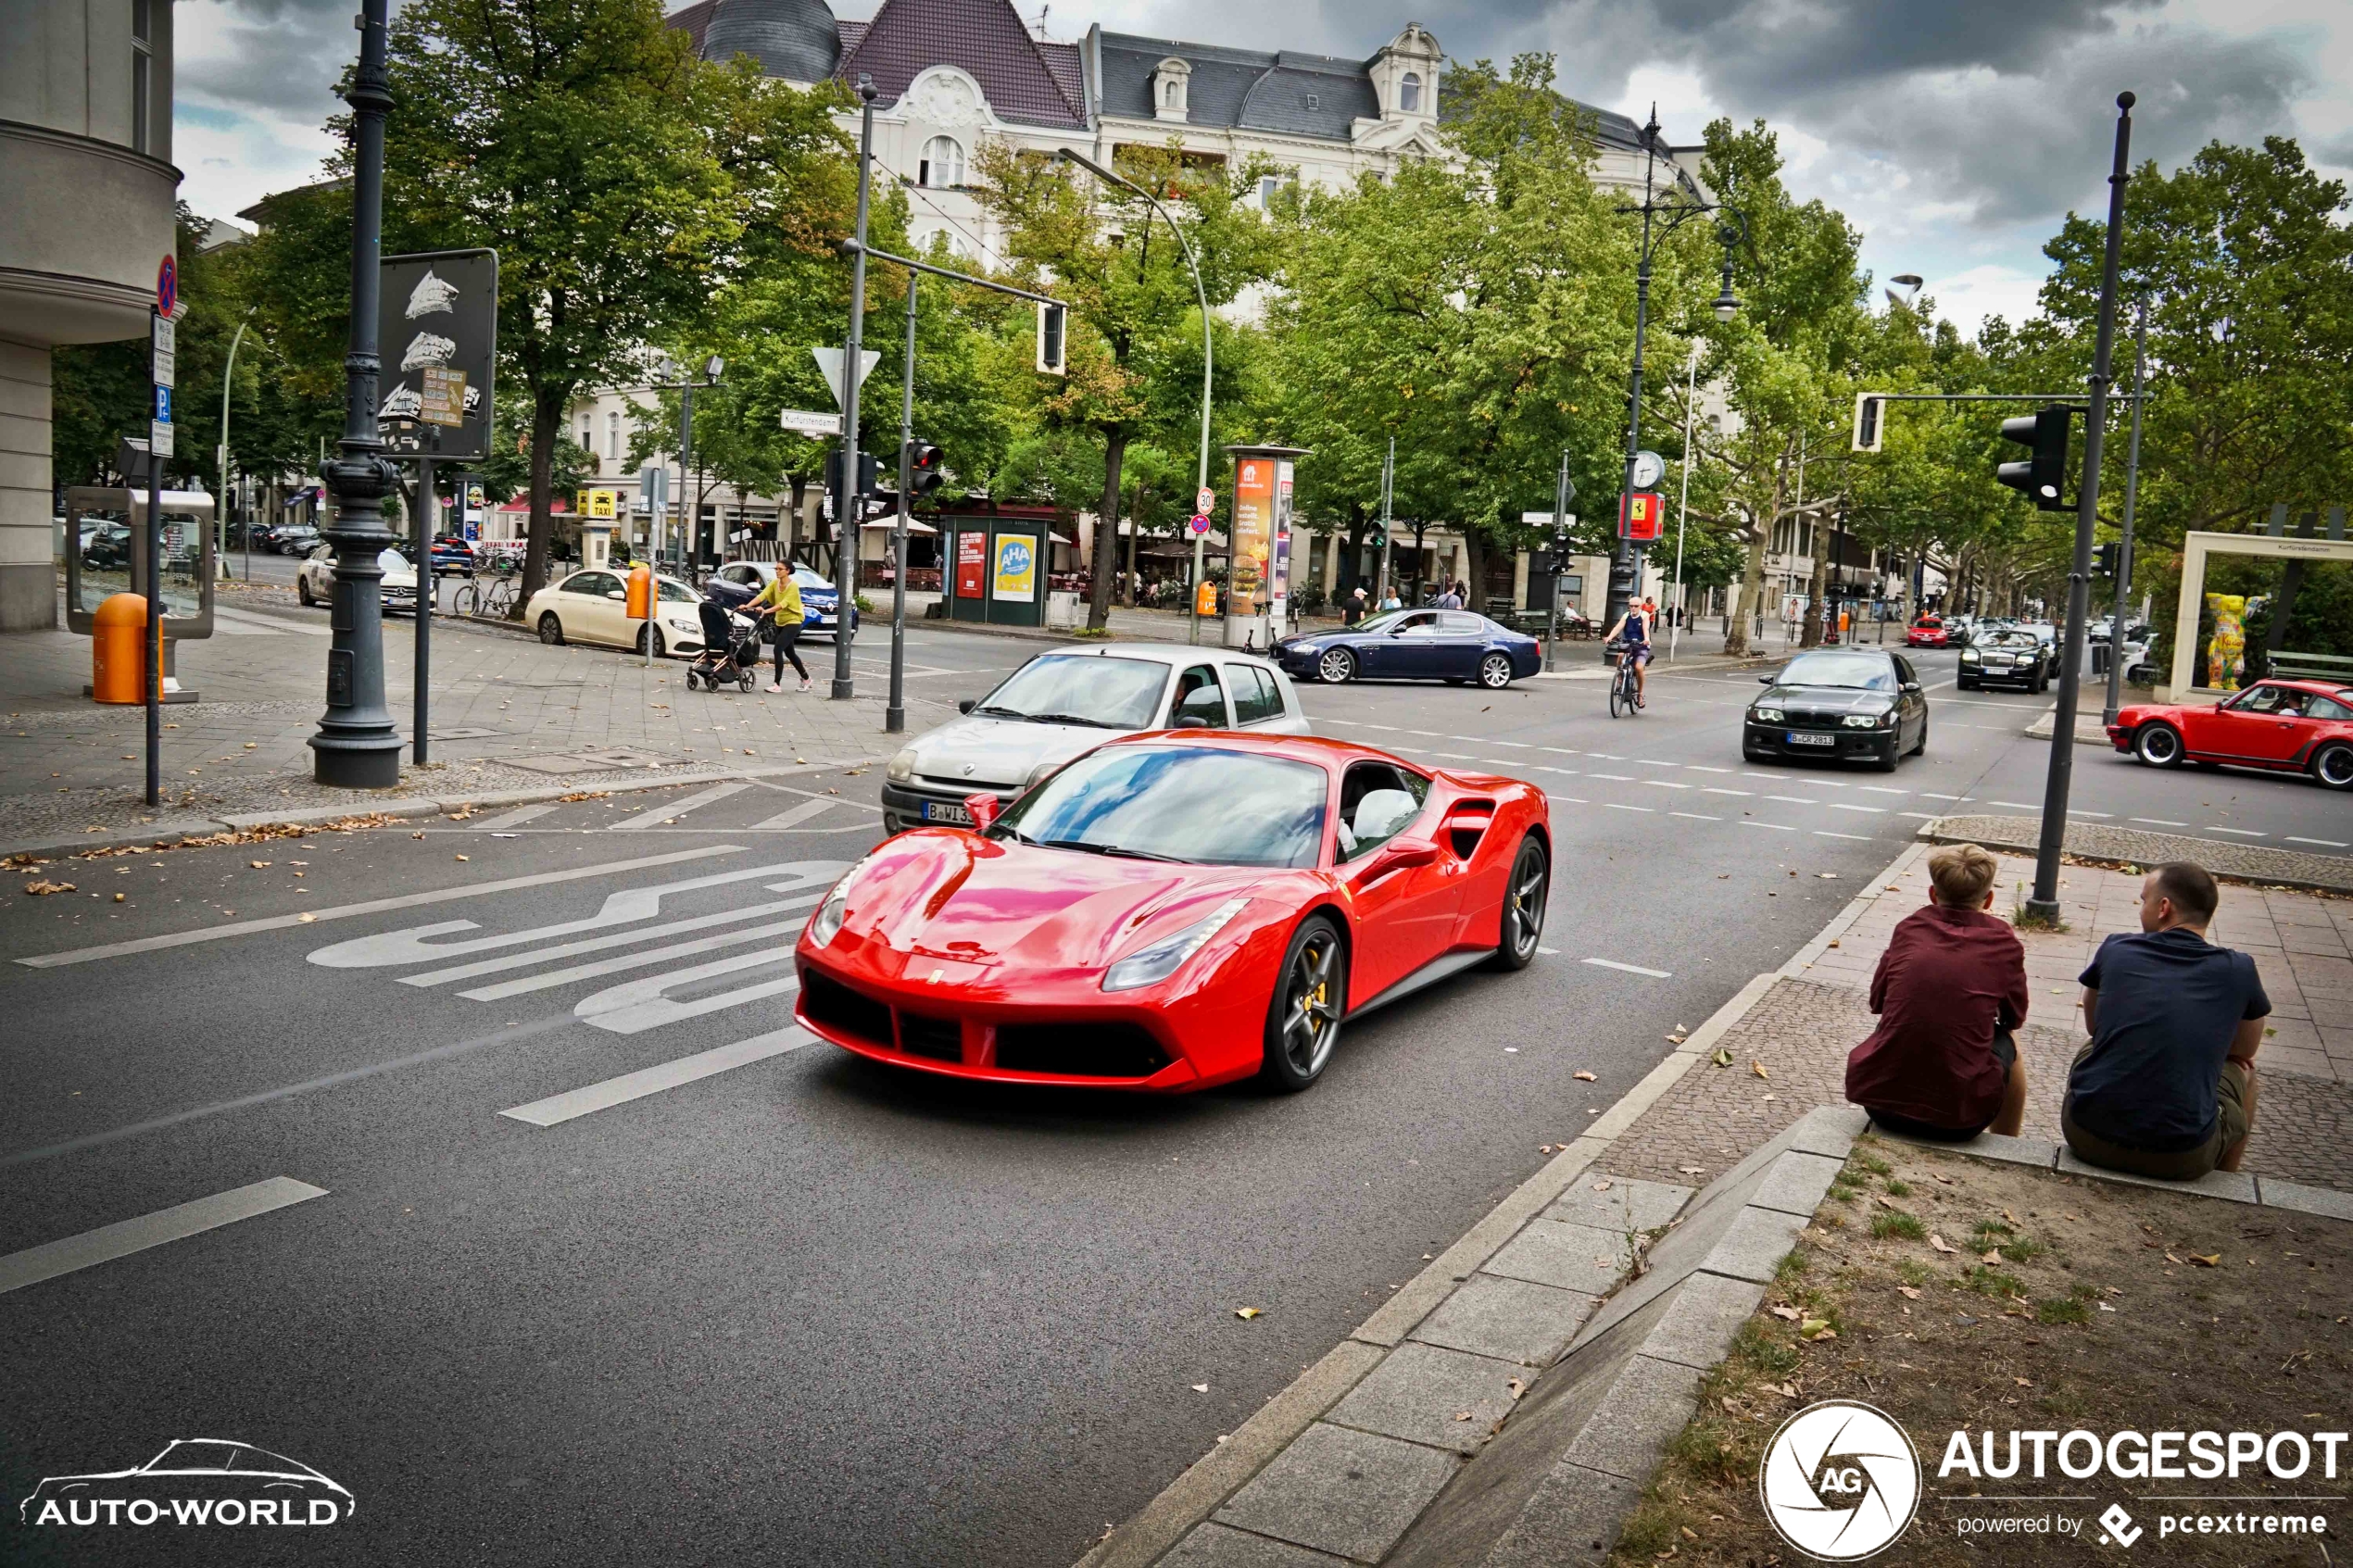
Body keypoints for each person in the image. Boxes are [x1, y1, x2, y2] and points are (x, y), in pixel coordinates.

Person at [2063, 862, 2269, 1179]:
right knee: (2246, 1076)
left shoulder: (2116, 948)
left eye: (2143, 899)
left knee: (2095, 1047)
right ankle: (2227, 1183)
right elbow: (2244, 1050)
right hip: (2183, 1158)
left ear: (2163, 908)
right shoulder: (2238, 969)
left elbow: (2095, 1027)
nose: (2140, 907)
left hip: (2087, 1138)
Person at [1845, 844, 2030, 1139]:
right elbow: (2014, 1017)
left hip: (1880, 1107)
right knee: (2012, 1043)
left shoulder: (1908, 929)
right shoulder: (2003, 942)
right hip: (1961, 1121)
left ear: (1933, 894)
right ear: (1989, 899)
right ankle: (2007, 1143)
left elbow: (1878, 1000)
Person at [747, 566, 810, 693]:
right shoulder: (775, 583)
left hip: (794, 620)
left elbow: (782, 604)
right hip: (780, 621)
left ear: (787, 571)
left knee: (778, 649)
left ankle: (777, 684)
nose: (777, 571)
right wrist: (747, 606)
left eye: (780, 569)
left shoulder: (793, 586)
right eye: (776, 568)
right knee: (790, 653)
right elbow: (763, 595)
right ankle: (806, 679)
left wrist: (765, 611)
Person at [1603, 598, 1653, 706]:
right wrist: (1609, 637)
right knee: (1620, 655)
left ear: (1640, 606)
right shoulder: (1626, 615)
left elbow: (1646, 628)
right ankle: (1620, 677)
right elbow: (1618, 627)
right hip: (1628, 644)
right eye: (1631, 606)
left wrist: (1647, 638)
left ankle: (1640, 695)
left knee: (1639, 668)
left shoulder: (1644, 615)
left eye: (1636, 606)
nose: (1633, 608)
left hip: (1641, 645)